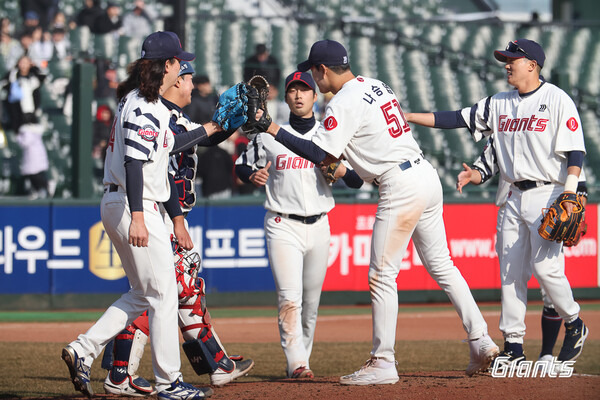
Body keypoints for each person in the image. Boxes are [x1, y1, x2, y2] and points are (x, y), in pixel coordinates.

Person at [253, 40, 499, 385]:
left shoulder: (342, 101)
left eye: (313, 70)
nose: (312, 76)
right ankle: (480, 340)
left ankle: (383, 360)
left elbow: (320, 153)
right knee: (442, 264)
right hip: (425, 175)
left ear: (322, 70)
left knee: (382, 275)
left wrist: (272, 127)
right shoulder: (375, 84)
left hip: (398, 182)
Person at [61, 31, 236, 399]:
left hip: (126, 201)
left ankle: (83, 349)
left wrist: (220, 125)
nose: (181, 67)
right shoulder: (142, 106)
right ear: (167, 65)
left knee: (144, 294)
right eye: (178, 61)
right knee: (163, 294)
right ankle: (169, 382)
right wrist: (139, 216)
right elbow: (134, 163)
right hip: (132, 202)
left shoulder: (145, 103)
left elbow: (180, 142)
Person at [405, 38, 589, 367]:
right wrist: (408, 117)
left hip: (549, 193)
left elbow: (575, 151)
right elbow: (456, 118)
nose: (507, 64)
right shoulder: (499, 103)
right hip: (512, 195)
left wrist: (572, 191)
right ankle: (514, 346)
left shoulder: (557, 99)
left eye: (513, 59)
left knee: (546, 270)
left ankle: (575, 323)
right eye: (506, 59)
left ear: (532, 65)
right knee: (510, 273)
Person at [101, 61, 254, 396]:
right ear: (171, 84)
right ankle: (120, 368)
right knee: (160, 292)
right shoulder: (159, 114)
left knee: (178, 290)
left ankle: (215, 363)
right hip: (159, 213)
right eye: (185, 80)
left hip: (170, 213)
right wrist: (177, 220)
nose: (190, 86)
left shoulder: (176, 116)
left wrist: (233, 123)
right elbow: (175, 147)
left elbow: (205, 139)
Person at [236, 71, 362, 378]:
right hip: (282, 224)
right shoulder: (267, 135)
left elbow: (357, 180)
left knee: (311, 304)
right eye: (292, 90)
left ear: (314, 96)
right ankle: (297, 363)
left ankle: (302, 358)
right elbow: (241, 165)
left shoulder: (329, 135)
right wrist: (251, 176)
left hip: (319, 225)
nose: (298, 95)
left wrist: (337, 168)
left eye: (304, 89)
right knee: (289, 299)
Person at [456, 136, 589, 367]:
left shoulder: (548, 125)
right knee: (511, 275)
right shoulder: (504, 122)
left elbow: (581, 183)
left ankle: (551, 348)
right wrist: (473, 175)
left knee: (548, 277)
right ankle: (514, 347)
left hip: (548, 203)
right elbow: (486, 167)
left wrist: (577, 211)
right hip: (510, 205)